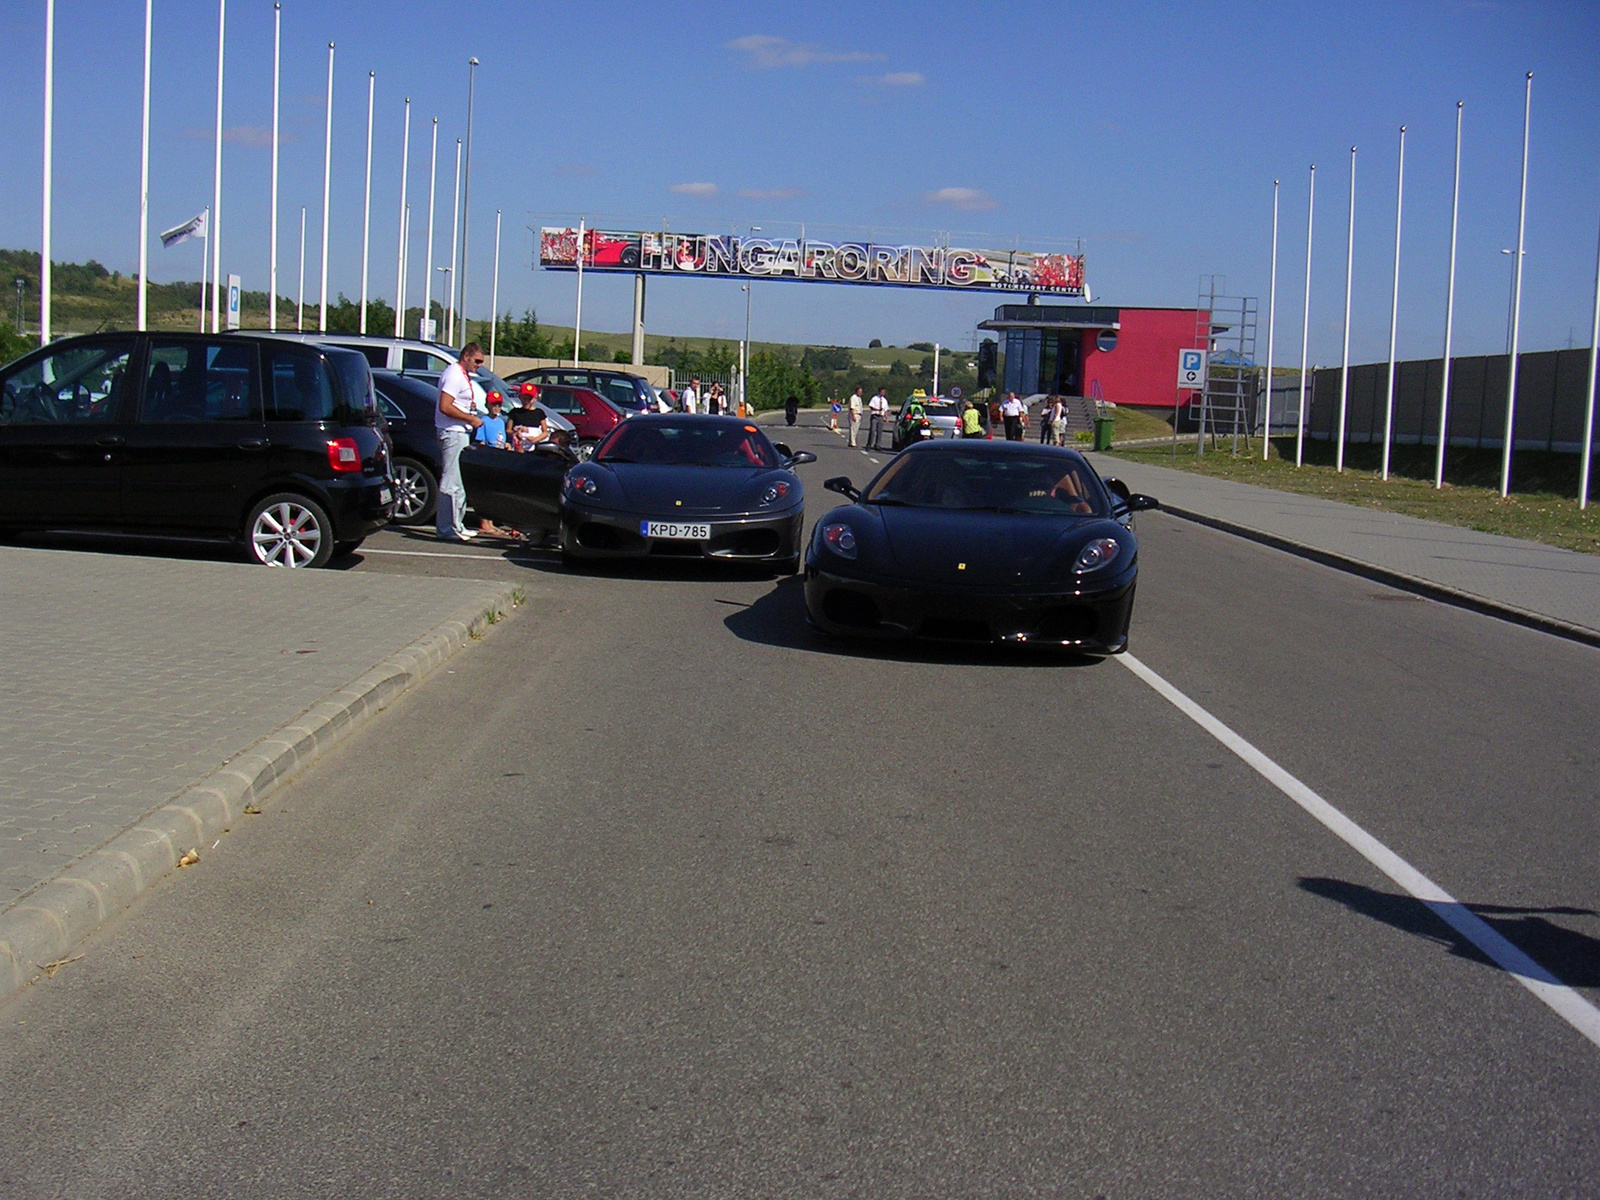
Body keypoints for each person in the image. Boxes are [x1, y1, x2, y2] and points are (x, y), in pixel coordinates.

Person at [436, 342, 486, 542]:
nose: (479, 365)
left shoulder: (462, 376)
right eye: (477, 361)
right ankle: (445, 528)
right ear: (466, 356)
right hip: (452, 431)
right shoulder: (453, 375)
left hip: (460, 432)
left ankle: (457, 525)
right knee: (450, 481)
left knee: (459, 482)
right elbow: (445, 406)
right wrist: (470, 418)